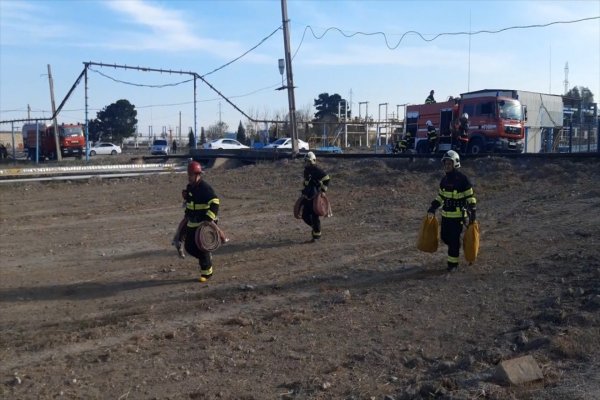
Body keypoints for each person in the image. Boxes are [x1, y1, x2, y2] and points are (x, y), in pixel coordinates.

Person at [427, 150, 477, 272]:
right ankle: (456, 247)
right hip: (445, 216)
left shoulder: (463, 180)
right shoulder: (444, 180)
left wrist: (473, 213)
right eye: (445, 164)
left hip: (458, 217)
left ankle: (452, 264)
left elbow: (470, 197)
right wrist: (433, 207)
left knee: (454, 240)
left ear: (455, 164)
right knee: (445, 237)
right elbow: (441, 196)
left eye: (449, 163)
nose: (447, 166)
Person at [180, 160, 220, 282]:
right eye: (188, 175)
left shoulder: (205, 188)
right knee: (189, 247)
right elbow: (190, 203)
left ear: (197, 175)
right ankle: (206, 258)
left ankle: (207, 273)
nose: (189, 177)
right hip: (192, 221)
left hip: (203, 223)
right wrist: (187, 210)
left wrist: (209, 218)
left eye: (191, 175)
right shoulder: (190, 187)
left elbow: (215, 202)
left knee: (201, 248)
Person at [301, 151, 330, 242]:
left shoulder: (317, 170)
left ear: (312, 161)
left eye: (308, 161)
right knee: (305, 215)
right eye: (306, 161)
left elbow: (327, 178)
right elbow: (306, 183)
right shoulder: (306, 170)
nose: (307, 163)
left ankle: (316, 236)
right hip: (307, 195)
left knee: (314, 216)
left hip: (315, 196)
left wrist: (323, 190)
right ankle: (315, 228)